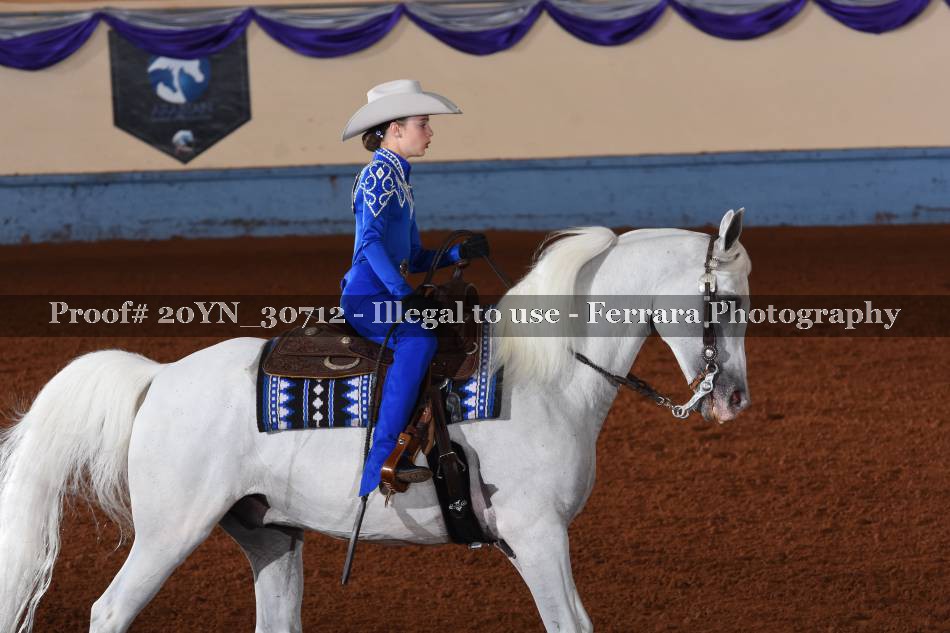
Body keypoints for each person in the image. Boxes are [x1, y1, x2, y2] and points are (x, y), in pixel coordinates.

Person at [339, 79, 490, 497]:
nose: (430, 132)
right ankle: (383, 461)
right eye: (422, 123)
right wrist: (403, 296)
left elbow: (415, 256)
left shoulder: (398, 179)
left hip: (385, 292)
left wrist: (457, 253)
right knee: (418, 340)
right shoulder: (377, 177)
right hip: (368, 297)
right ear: (395, 129)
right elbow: (369, 244)